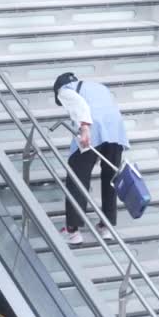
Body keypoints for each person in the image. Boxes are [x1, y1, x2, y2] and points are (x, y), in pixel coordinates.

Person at [54, 72, 129, 245]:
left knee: (77, 178)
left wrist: (85, 128)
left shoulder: (65, 90)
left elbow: (79, 106)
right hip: (115, 131)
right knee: (110, 178)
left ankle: (73, 231)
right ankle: (106, 226)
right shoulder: (98, 87)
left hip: (93, 131)